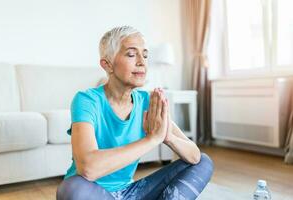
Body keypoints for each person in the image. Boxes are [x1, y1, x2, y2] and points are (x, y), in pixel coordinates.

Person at [56, 26, 213, 200]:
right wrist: (151, 139)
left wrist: (168, 137)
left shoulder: (147, 101)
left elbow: (194, 155)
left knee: (203, 162)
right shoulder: (87, 100)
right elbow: (88, 168)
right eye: (131, 54)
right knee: (72, 189)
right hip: (91, 192)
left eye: (145, 55)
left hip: (131, 193)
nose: (142, 62)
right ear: (107, 64)